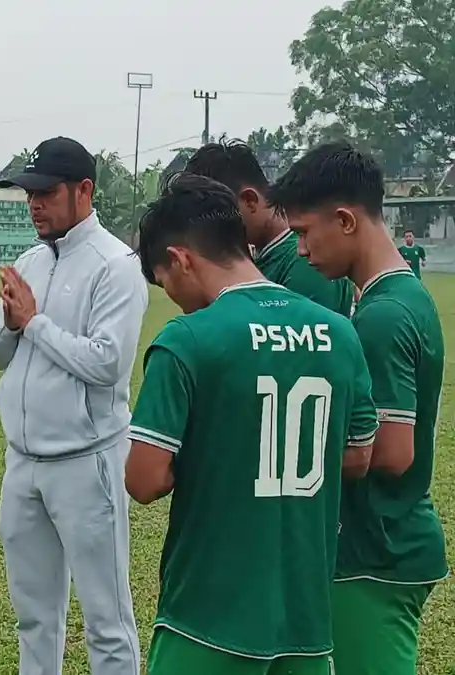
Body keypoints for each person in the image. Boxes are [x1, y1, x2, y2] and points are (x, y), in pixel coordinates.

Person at [126, 172, 380, 675]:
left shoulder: (187, 340)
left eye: (166, 282)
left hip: (206, 615)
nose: (172, 297)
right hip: (306, 621)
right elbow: (359, 455)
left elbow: (144, 479)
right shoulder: (340, 332)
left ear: (179, 259)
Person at [269, 141, 448, 675]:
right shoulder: (391, 297)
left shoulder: (383, 315)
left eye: (304, 232)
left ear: (345, 220)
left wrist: (285, 457)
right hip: (385, 544)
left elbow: (391, 453)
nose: (299, 250)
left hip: (377, 552)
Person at [0, 136, 145, 675]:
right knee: (34, 618)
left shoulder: (115, 265)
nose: (34, 204)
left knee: (107, 618)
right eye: (29, 193)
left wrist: (34, 323)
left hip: (87, 461)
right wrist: (10, 324)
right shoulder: (30, 260)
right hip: (23, 462)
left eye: (46, 193)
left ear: (84, 190)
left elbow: (107, 362)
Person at [184, 140, 355, 315]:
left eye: (216, 214)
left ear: (250, 201)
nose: (211, 230)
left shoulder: (308, 260)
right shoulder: (257, 258)